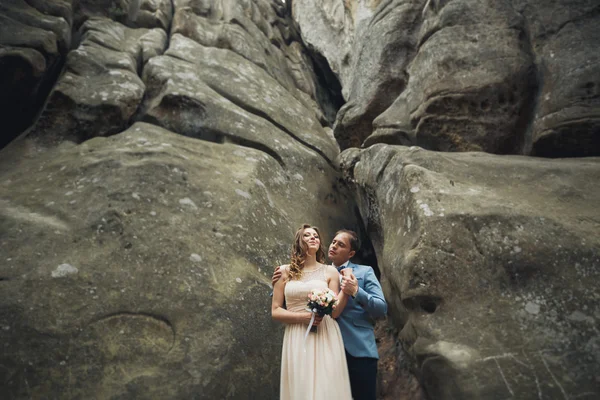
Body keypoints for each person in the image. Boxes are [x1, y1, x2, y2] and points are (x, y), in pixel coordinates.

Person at [273, 229, 387, 400]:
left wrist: (356, 290)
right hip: (318, 345)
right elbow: (292, 295)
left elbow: (381, 308)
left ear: (351, 253)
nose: (334, 246)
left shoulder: (365, 272)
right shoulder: (321, 271)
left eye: (340, 244)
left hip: (357, 349)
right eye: (333, 241)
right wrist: (275, 283)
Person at [272, 224, 352, 400]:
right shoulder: (284, 272)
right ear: (299, 242)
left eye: (316, 235)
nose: (313, 237)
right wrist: (304, 317)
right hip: (297, 334)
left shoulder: (329, 271)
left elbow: (335, 312)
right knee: (301, 385)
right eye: (307, 235)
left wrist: (346, 290)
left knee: (327, 384)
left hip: (325, 333)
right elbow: (276, 310)